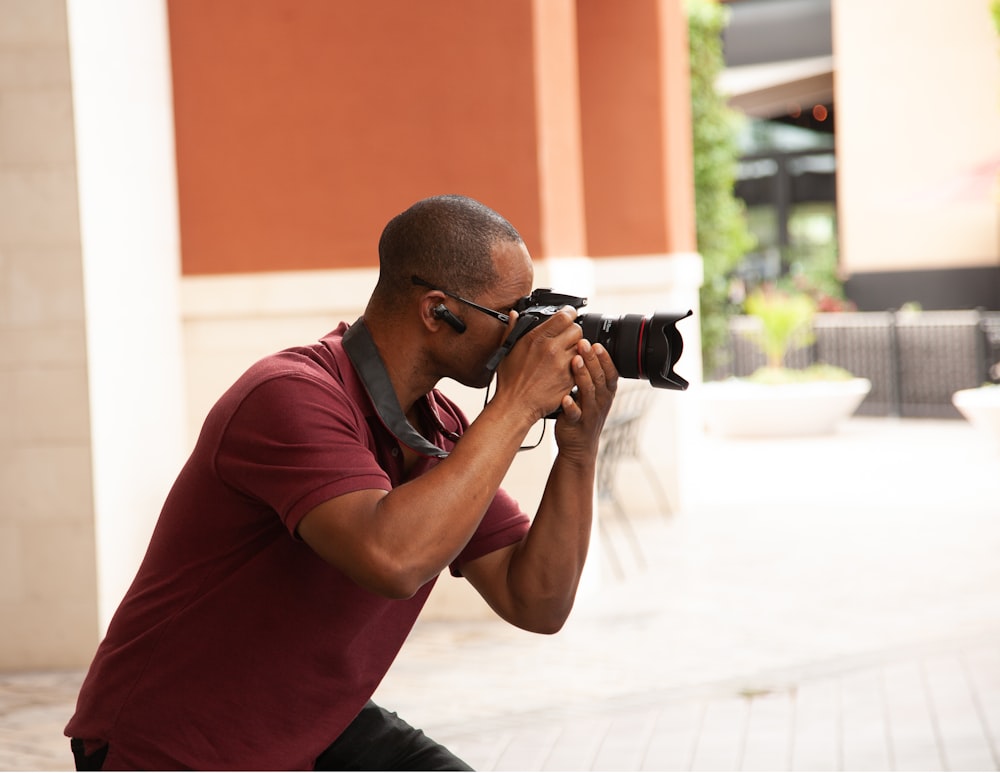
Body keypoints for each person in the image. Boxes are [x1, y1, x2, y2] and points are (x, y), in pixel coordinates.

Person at [65, 194, 618, 770]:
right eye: (512, 314)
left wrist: (578, 451)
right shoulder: (288, 395)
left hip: (308, 724)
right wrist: (516, 404)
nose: (526, 335)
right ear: (436, 310)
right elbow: (391, 557)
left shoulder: (438, 429)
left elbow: (536, 601)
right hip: (176, 740)